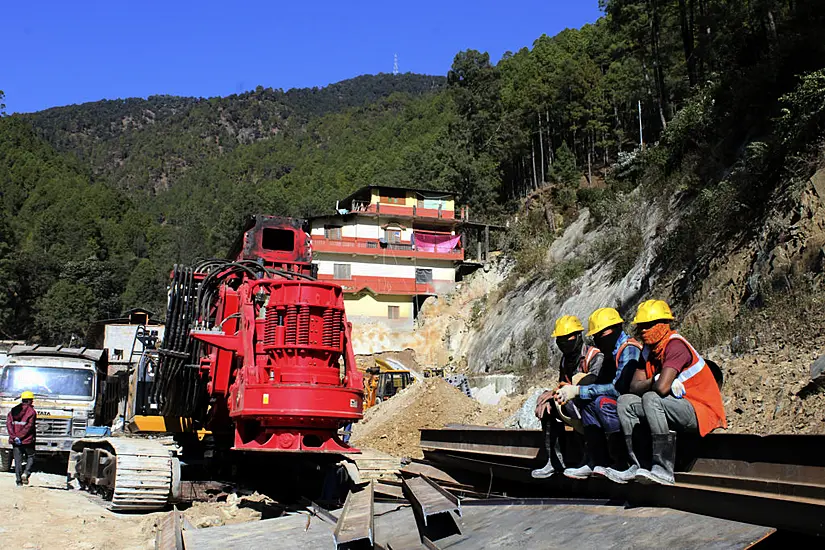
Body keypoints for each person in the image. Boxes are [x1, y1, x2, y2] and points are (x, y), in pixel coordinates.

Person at [613, 300, 727, 485]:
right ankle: (639, 465)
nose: (643, 330)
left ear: (663, 325)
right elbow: (633, 387)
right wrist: (654, 379)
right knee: (625, 402)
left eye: (649, 325)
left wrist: (654, 383)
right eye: (641, 326)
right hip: (674, 406)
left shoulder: (675, 346)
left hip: (700, 410)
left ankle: (663, 468)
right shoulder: (648, 351)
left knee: (651, 398)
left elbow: (662, 388)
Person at [554, 308, 643, 482]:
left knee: (601, 402)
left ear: (616, 328)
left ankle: (621, 462)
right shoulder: (611, 351)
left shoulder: (629, 349)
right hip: (622, 400)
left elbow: (619, 388)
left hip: (633, 401)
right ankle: (597, 461)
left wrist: (579, 390)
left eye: (601, 334)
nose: (597, 339)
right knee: (588, 402)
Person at [531, 315, 603, 479]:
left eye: (568, 337)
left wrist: (560, 391)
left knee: (575, 405)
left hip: (591, 406)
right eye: (560, 339)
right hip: (573, 404)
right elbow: (563, 383)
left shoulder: (595, 356)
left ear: (578, 336)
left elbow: (594, 384)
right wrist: (551, 397)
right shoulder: (565, 360)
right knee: (549, 407)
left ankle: (590, 458)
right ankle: (554, 461)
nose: (565, 342)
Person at [7, 390, 37, 486]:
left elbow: (9, 425)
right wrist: (20, 436)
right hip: (27, 440)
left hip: (15, 441)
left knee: (17, 460)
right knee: (31, 456)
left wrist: (14, 436)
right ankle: (26, 473)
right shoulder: (31, 411)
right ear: (29, 400)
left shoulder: (13, 410)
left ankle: (19, 481)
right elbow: (29, 426)